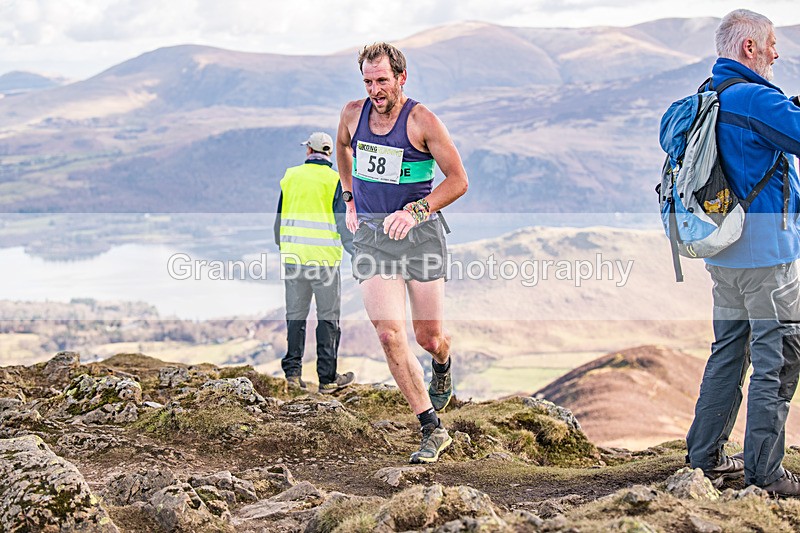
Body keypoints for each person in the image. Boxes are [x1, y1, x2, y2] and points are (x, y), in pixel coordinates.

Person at [685, 9, 800, 496]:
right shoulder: (755, 97)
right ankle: (766, 475)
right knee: (779, 359)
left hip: (723, 252)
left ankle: (705, 459)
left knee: (729, 353)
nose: (777, 52)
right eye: (771, 43)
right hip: (767, 258)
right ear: (749, 47)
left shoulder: (706, 95)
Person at [336, 42, 469, 464]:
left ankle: (442, 364)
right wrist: (349, 196)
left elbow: (458, 180)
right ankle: (432, 428)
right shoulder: (352, 114)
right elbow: (343, 148)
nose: (375, 90)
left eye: (382, 81)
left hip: (420, 236)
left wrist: (415, 211)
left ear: (401, 78)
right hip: (373, 238)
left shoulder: (422, 121)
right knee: (389, 335)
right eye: (368, 81)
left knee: (428, 337)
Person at [274, 131, 355, 394]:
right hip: (324, 263)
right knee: (328, 319)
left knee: (295, 316)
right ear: (329, 154)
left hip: (294, 258)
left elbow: (279, 220)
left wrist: (285, 245)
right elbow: (344, 224)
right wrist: (358, 255)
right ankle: (327, 380)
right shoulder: (336, 181)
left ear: (309, 150)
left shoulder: (291, 177)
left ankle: (292, 375)